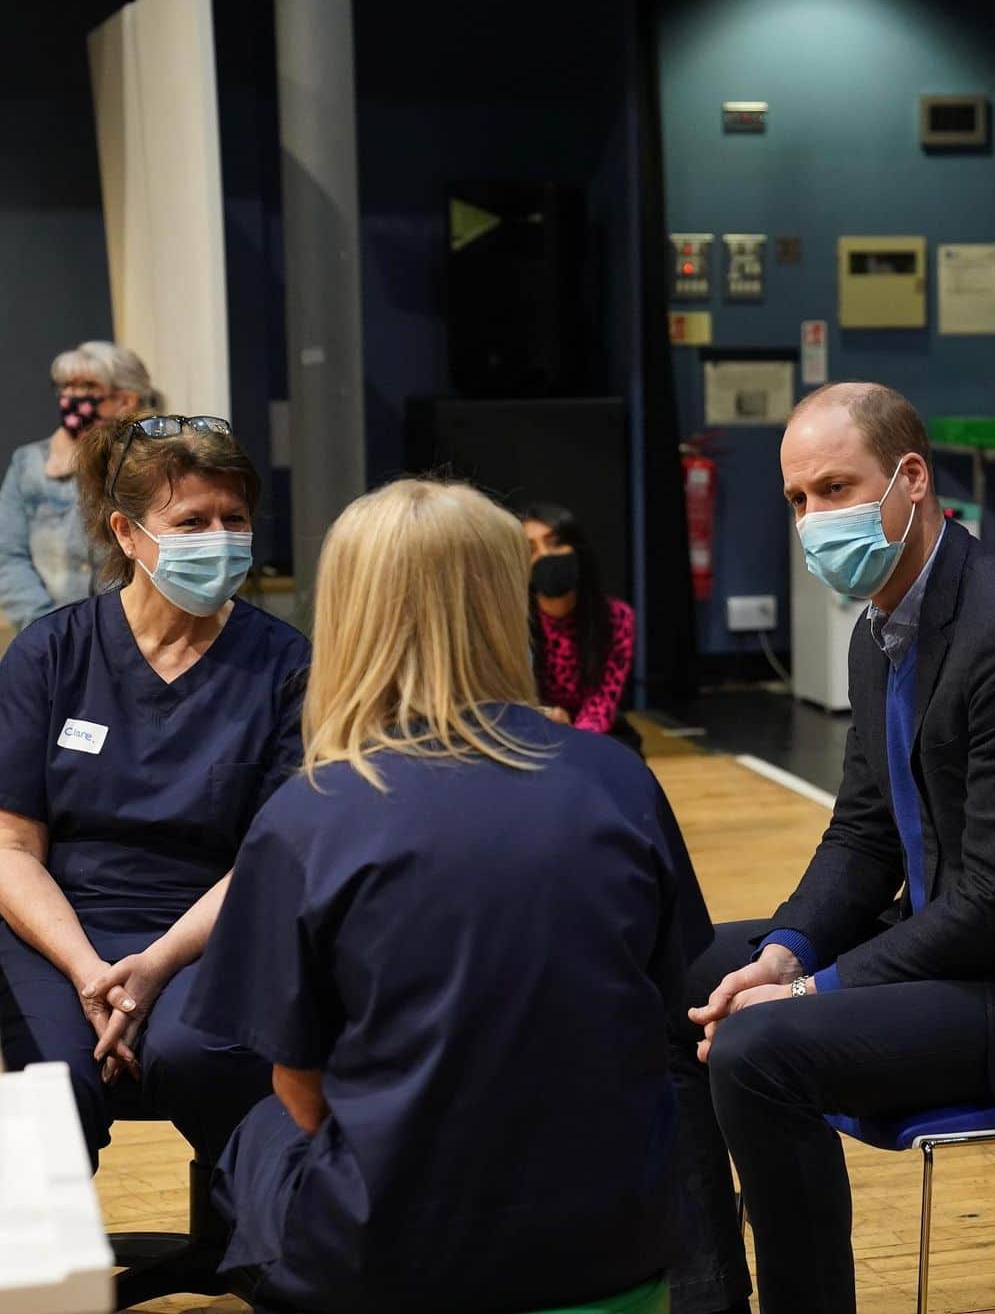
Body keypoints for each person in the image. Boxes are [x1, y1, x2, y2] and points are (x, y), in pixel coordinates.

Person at [183, 478, 712, 1314]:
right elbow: (660, 1000)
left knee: (253, 1135)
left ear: (349, 615)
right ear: (504, 603)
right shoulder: (618, 777)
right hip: (618, 1243)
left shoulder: (309, 814)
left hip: (402, 1265)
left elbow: (300, 1088)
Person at [674, 382, 995, 1314]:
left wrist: (812, 991)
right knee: (684, 976)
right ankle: (706, 1293)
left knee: (757, 1050)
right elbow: (862, 832)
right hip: (952, 949)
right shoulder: (879, 633)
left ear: (910, 478)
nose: (814, 519)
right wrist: (783, 952)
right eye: (798, 500)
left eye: (833, 488)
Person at [0, 413, 310, 1174]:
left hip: (213, 931)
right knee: (54, 1080)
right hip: (61, 927)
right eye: (192, 521)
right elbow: (10, 847)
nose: (221, 538)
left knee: (193, 1052)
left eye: (233, 519)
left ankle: (265, 1246)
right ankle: (52, 1286)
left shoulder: (283, 665)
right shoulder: (53, 651)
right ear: (128, 533)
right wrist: (85, 970)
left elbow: (273, 857)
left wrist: (158, 963)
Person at [0, 341, 159, 631]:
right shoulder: (29, 464)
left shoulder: (156, 465)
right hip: (51, 636)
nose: (71, 396)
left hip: (137, 633)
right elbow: (8, 556)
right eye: (65, 386)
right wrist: (46, 628)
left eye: (85, 386)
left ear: (126, 399)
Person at [523, 501, 639, 750]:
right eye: (530, 549)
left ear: (575, 548)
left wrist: (575, 741)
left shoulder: (617, 618)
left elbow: (603, 701)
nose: (544, 555)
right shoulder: (514, 622)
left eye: (553, 542)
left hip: (594, 735)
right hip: (532, 732)